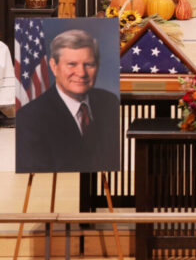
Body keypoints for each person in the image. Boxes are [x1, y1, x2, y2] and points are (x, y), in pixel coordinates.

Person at [16, 29, 120, 173]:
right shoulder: (30, 117)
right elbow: (37, 173)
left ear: (97, 66)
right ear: (54, 66)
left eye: (89, 64)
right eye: (72, 64)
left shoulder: (109, 101)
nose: (81, 73)